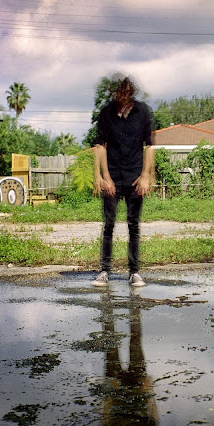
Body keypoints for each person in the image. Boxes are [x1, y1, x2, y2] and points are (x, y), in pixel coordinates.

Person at [91, 75, 155, 287]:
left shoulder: (143, 112)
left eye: (126, 93)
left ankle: (134, 272)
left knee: (133, 225)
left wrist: (145, 176)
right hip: (113, 177)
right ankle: (104, 271)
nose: (122, 96)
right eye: (119, 92)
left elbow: (149, 146)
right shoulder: (106, 113)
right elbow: (100, 146)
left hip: (136, 178)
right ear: (115, 93)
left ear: (131, 93)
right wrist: (103, 178)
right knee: (108, 225)